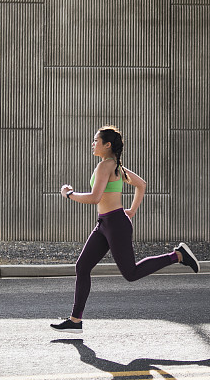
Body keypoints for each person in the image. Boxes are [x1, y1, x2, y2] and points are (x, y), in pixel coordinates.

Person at [51, 125, 200, 334]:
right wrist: (131, 211)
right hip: (106, 223)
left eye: (96, 140)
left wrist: (69, 194)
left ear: (107, 144)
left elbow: (95, 197)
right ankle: (75, 321)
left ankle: (178, 256)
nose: (93, 144)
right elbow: (142, 185)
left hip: (115, 224)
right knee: (82, 267)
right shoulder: (115, 166)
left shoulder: (106, 166)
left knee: (131, 273)